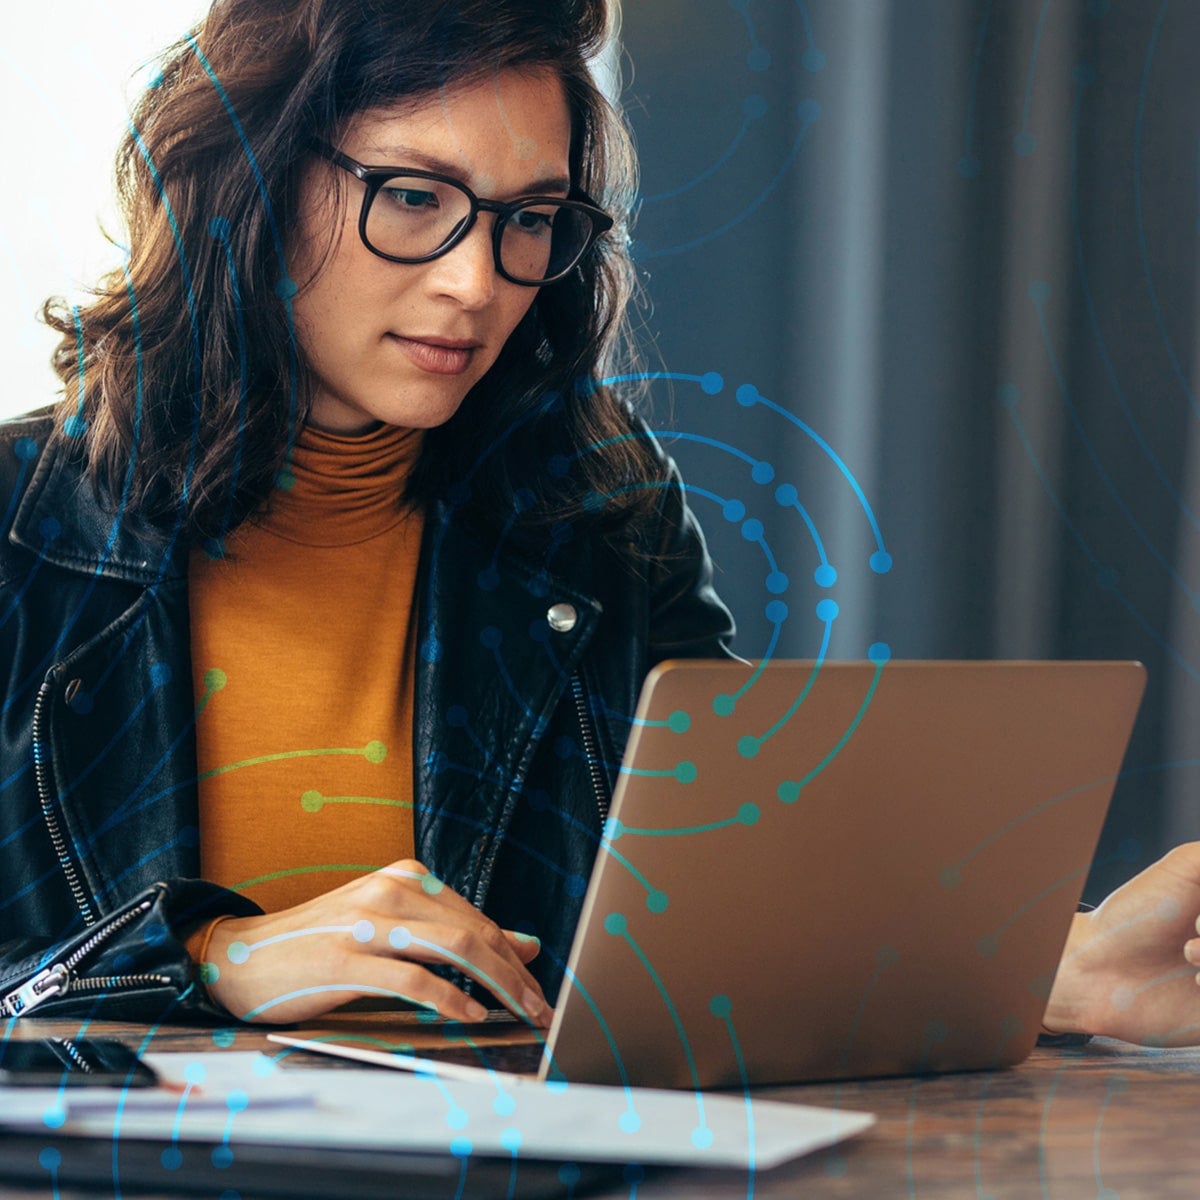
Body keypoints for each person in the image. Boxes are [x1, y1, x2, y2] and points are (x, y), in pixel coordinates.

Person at [1, 0, 1199, 1049]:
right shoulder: (19, 527)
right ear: (248, 181)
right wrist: (208, 959)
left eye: (529, 218)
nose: (478, 282)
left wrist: (1052, 964)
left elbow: (732, 905)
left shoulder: (597, 513)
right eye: (414, 198)